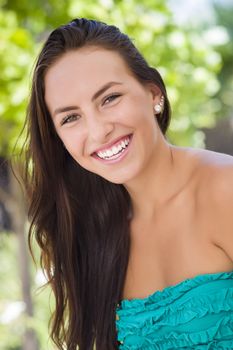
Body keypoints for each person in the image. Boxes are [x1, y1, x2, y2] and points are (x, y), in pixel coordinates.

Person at [22, 18, 233, 350]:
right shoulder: (93, 231)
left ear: (153, 93)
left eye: (109, 98)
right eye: (71, 117)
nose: (98, 131)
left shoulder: (225, 189)